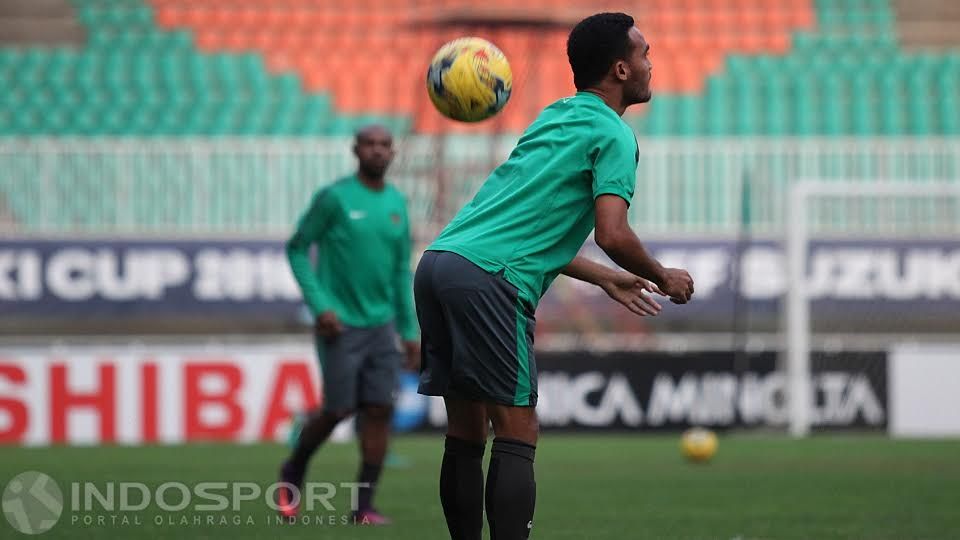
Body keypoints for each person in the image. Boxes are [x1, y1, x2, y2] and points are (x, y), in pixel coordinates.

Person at [414, 12, 695, 540]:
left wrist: (605, 278)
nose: (649, 64)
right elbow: (613, 233)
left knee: (467, 429)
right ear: (620, 68)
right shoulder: (614, 134)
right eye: (644, 54)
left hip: (440, 263)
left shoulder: (556, 116)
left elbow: (521, 228)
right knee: (517, 429)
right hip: (489, 281)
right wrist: (662, 274)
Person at [277, 125, 419, 525]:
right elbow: (297, 248)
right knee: (338, 409)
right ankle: (293, 470)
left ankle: (362, 507)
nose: (377, 150)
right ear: (355, 150)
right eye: (369, 144)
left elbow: (398, 272)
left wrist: (409, 330)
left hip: (381, 325)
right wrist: (320, 305)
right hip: (339, 325)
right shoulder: (335, 198)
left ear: (392, 153)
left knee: (379, 409)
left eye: (384, 145)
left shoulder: (397, 204)